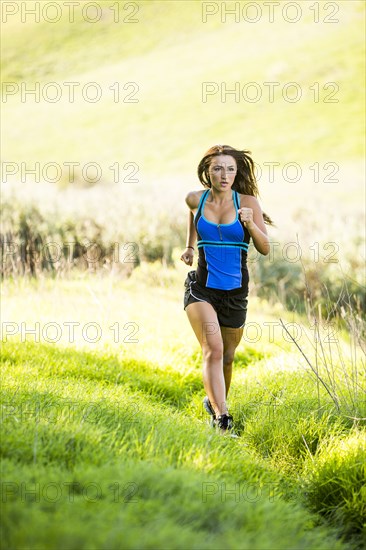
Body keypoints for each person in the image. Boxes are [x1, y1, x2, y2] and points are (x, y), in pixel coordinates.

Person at [180, 144, 275, 436]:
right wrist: (189, 246)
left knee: (229, 356)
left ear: (237, 172)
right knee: (214, 349)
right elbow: (194, 218)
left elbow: (265, 247)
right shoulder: (195, 198)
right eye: (218, 169)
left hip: (235, 293)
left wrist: (250, 223)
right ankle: (222, 418)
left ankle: (216, 401)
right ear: (207, 171)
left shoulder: (248, 203)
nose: (225, 175)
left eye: (230, 169)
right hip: (201, 288)